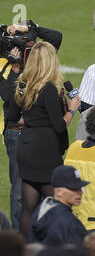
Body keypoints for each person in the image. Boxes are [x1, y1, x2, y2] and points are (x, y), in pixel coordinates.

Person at [13, 42, 81, 240]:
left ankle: (25, 251)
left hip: (25, 148)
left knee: (28, 207)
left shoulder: (22, 85)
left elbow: (12, 115)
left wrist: (33, 120)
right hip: (45, 153)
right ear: (51, 61)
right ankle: (56, 247)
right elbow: (59, 126)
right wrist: (72, 110)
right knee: (58, 205)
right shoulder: (49, 89)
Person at [0, 20, 62, 231]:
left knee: (37, 189)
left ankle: (37, 235)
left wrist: (30, 27)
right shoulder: (5, 64)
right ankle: (18, 240)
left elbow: (55, 37)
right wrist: (15, 67)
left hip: (35, 135)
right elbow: (8, 97)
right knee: (20, 193)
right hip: (17, 133)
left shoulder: (38, 55)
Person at [28, 165, 89, 247]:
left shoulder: (42, 209)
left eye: (80, 188)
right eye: (74, 189)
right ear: (59, 191)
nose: (80, 193)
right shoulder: (70, 223)